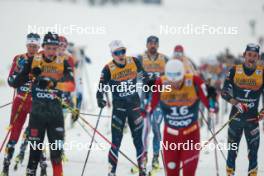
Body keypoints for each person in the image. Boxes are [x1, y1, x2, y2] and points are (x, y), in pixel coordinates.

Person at [11, 32, 75, 176]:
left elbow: (71, 86)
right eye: (49, 48)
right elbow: (15, 83)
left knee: (56, 156)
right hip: (37, 116)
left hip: (55, 116)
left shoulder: (63, 62)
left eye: (55, 48)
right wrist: (27, 72)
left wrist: (54, 83)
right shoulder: (34, 60)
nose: (52, 52)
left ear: (59, 48)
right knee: (34, 154)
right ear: (43, 47)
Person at [146, 59, 213, 176]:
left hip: (191, 136)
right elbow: (149, 108)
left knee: (188, 173)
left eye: (178, 81)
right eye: (171, 81)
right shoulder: (161, 83)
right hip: (170, 137)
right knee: (171, 173)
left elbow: (211, 107)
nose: (175, 84)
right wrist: (146, 97)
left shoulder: (194, 81)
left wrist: (212, 97)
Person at [96, 40, 149, 176]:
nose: (120, 55)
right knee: (115, 143)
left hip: (134, 108)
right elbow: (100, 88)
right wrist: (100, 98)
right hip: (119, 110)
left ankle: (142, 170)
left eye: (122, 51)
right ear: (112, 54)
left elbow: (144, 78)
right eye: (117, 53)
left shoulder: (134, 62)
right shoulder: (108, 69)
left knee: (138, 141)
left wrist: (151, 83)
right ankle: (111, 172)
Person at [221, 43, 264, 176]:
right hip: (236, 118)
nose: (251, 58)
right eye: (249, 55)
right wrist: (235, 102)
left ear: (257, 57)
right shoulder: (235, 70)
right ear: (244, 55)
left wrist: (263, 111)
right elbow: (224, 92)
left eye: (255, 56)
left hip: (252, 120)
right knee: (232, 152)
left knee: (253, 153)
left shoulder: (261, 72)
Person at [1, 33, 41, 176]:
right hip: (20, 100)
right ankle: (6, 164)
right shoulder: (19, 59)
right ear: (26, 45)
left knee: (36, 134)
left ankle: (39, 165)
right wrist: (23, 76)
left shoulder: (43, 59)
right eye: (30, 45)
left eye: (35, 46)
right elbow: (11, 81)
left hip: (36, 101)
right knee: (15, 132)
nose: (32, 48)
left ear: (39, 46)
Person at [137, 35, 169, 170]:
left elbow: (170, 76)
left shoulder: (164, 58)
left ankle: (156, 157)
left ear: (158, 45)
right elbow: (137, 75)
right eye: (150, 43)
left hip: (159, 97)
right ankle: (144, 157)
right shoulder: (140, 58)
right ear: (146, 45)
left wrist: (157, 77)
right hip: (145, 95)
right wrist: (148, 77)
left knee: (156, 127)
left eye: (155, 43)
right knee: (145, 128)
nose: (152, 45)